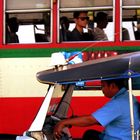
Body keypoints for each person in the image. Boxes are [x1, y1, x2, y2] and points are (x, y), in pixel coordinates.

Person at [53, 79, 140, 140]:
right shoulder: (126, 97)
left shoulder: (119, 103)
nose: (102, 90)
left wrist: (63, 122)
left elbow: (91, 120)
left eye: (103, 86)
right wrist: (74, 120)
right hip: (124, 135)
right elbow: (100, 120)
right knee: (90, 134)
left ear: (112, 86)